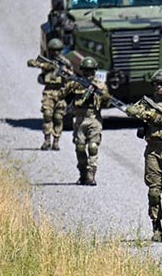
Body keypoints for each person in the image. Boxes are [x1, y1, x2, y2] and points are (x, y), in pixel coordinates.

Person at [125, 69, 162, 243]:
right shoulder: (147, 104)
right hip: (153, 150)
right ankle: (156, 226)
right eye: (157, 84)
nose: (160, 87)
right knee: (154, 192)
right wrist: (152, 116)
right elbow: (130, 110)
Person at [57, 56, 110, 185]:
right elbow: (61, 95)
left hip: (94, 118)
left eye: (91, 70)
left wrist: (100, 93)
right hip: (79, 118)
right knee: (80, 147)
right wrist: (69, 83)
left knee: (93, 146)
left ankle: (91, 175)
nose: (88, 73)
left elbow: (107, 102)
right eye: (86, 70)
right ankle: (82, 174)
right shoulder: (76, 83)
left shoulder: (100, 85)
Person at [26, 38, 71, 150]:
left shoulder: (65, 63)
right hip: (48, 91)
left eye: (57, 51)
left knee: (58, 117)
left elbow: (71, 74)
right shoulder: (46, 62)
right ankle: (47, 141)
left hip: (60, 92)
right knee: (47, 115)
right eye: (53, 50)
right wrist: (43, 66)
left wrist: (66, 72)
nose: (55, 53)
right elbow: (31, 62)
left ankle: (56, 141)